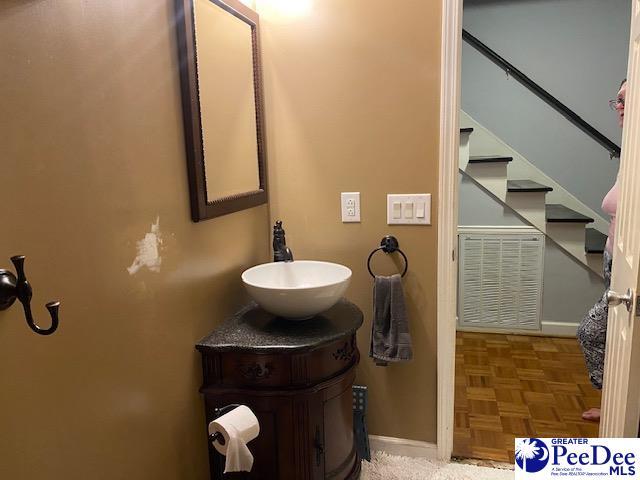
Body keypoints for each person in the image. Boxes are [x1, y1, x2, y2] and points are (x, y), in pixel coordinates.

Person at [576, 78, 626, 422]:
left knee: (591, 332)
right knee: (607, 339)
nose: (619, 105)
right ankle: (614, 406)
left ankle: (618, 409)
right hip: (614, 264)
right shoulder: (631, 153)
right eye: (617, 99)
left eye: (625, 98)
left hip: (625, 273)